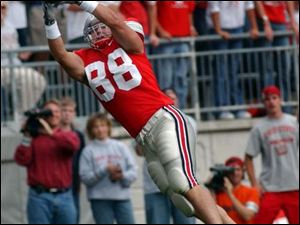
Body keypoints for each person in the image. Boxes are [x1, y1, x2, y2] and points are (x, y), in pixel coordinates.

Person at [42, 1, 234, 223]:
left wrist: (83, 2)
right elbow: (61, 55)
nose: (98, 30)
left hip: (164, 119)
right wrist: (50, 19)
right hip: (144, 138)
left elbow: (114, 20)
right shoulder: (85, 59)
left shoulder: (127, 34)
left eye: (101, 26)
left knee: (183, 181)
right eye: (92, 29)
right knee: (182, 199)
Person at [135, 88, 196, 224]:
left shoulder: (189, 121)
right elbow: (139, 151)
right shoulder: (146, 120)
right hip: (155, 186)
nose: (171, 101)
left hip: (183, 185)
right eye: (167, 98)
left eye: (173, 98)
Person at [14, 99, 80, 224]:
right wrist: (27, 136)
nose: (54, 114)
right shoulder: (35, 138)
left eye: (56, 111)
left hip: (64, 196)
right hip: (39, 197)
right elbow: (21, 160)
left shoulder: (68, 135)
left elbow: (73, 145)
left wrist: (51, 133)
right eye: (49, 111)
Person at [245, 85, 299, 224]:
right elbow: (248, 157)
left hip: (294, 186)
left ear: (280, 100)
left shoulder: (294, 122)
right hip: (270, 188)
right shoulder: (259, 128)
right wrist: (254, 184)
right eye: (267, 99)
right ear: (264, 103)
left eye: (274, 98)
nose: (271, 102)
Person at [79, 113, 137, 224]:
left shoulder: (120, 146)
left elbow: (133, 171)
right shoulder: (88, 151)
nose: (100, 129)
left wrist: (122, 175)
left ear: (108, 127)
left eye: (103, 125)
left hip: (122, 198)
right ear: (91, 130)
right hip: (100, 199)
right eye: (96, 127)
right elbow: (85, 178)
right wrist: (104, 169)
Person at [207, 1, 259, 120]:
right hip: (220, 30)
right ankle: (222, 108)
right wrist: (218, 30)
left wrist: (254, 27)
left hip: (238, 29)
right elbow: (214, 8)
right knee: (221, 72)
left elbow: (249, 6)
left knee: (234, 71)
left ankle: (238, 107)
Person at [1, 1, 46, 116]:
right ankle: (21, 115)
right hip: (3, 67)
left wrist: (21, 53)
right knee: (27, 80)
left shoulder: (10, 26)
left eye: (3, 8)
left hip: (15, 65)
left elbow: (15, 48)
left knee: (39, 80)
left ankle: (22, 113)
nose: (1, 11)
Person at [60, 97, 85, 223]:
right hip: (57, 182)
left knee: (74, 217)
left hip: (73, 183)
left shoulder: (79, 135)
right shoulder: (52, 133)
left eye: (70, 111)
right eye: (64, 110)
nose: (67, 113)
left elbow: (81, 160)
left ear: (74, 114)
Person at [215, 157, 259, 224]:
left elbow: (247, 216)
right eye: (231, 170)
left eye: (238, 169)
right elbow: (212, 216)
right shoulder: (218, 193)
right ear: (226, 173)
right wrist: (211, 188)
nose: (235, 173)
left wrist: (229, 194)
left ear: (242, 171)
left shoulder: (252, 192)